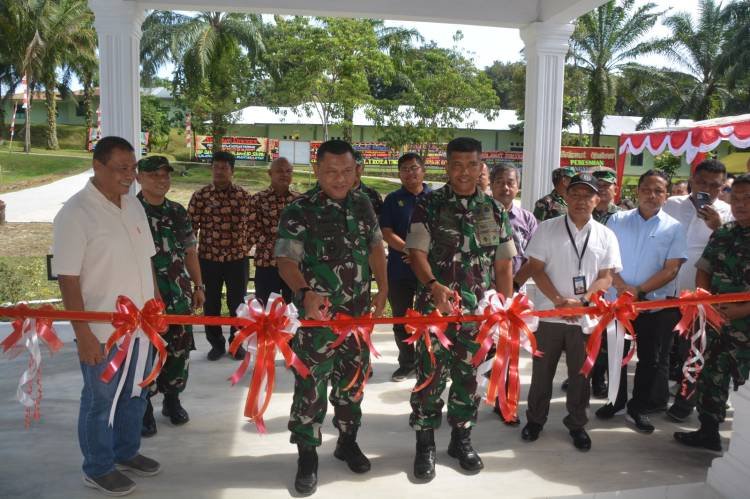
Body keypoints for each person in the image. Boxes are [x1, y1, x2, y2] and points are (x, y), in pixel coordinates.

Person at [275, 140, 388, 495]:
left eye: (346, 171)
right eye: (330, 172)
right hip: (317, 321)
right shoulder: (300, 209)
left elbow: (375, 247)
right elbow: (285, 261)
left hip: (356, 319)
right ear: (316, 171)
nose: (339, 179)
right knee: (311, 388)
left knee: (352, 383)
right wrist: (304, 292)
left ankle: (346, 441)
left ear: (356, 170)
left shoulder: (363, 203)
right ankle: (307, 454)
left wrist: (382, 289)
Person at [53, 136, 161, 496]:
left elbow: (147, 261)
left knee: (135, 394)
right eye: (120, 169)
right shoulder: (75, 213)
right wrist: (81, 333)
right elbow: (67, 279)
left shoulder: (133, 206)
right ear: (97, 165)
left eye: (132, 168)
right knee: (100, 400)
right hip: (102, 330)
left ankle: (126, 452)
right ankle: (98, 467)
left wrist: (157, 308)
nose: (129, 176)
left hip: (143, 327)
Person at [405, 137, 515, 480]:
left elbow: (503, 266)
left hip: (478, 316)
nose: (464, 172)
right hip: (435, 313)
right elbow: (416, 254)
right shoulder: (430, 205)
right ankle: (425, 445)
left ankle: (461, 440)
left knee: (469, 379)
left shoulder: (495, 209)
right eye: (457, 165)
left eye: (471, 165)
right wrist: (433, 286)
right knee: (430, 377)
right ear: (447, 166)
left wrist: (504, 310)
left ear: (481, 166)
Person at [519, 173, 622, 452]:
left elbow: (606, 277)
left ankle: (577, 424)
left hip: (585, 318)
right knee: (542, 374)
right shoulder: (547, 228)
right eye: (574, 194)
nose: (580, 200)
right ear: (565, 197)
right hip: (549, 315)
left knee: (580, 376)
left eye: (587, 196)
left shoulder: (606, 235)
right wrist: (557, 300)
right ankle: (535, 420)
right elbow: (536, 270)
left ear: (597, 200)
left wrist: (583, 302)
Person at [595, 169, 687, 434]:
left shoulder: (674, 227)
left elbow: (671, 269)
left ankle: (639, 407)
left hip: (654, 305)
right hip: (618, 303)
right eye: (647, 189)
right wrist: (623, 288)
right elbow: (607, 259)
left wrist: (639, 291)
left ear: (666, 196)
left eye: (658, 191)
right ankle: (616, 401)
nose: (651, 195)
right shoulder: (617, 220)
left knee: (651, 359)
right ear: (638, 191)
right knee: (616, 354)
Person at [674, 173, 750, 452]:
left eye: (748, 199)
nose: (741, 204)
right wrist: (705, 302)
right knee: (711, 376)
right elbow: (703, 269)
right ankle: (708, 431)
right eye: (737, 198)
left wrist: (742, 309)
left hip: (746, 325)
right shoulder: (725, 232)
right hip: (716, 322)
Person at [135, 156, 204, 437]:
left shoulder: (177, 211)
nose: (161, 180)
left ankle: (172, 400)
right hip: (145, 301)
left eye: (165, 175)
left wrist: (199, 285)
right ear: (139, 178)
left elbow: (190, 252)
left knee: (179, 350)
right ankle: (144, 408)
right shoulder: (131, 212)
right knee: (147, 352)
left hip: (178, 296)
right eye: (154, 175)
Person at [664, 159, 733, 422]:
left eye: (714, 186)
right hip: (666, 287)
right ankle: (659, 394)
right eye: (702, 182)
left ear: (722, 186)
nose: (707, 189)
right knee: (664, 347)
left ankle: (686, 400)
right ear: (692, 180)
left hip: (702, 293)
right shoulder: (672, 204)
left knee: (695, 348)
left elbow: (731, 248)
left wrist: (718, 226)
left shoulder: (727, 212)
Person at [187, 151, 251, 361]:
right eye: (216, 167)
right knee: (211, 304)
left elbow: (252, 226)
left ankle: (237, 343)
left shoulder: (243, 196)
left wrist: (245, 246)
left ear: (232, 170)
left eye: (224, 168)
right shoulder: (201, 196)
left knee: (238, 305)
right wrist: (192, 258)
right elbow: (191, 230)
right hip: (208, 259)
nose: (219, 171)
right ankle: (216, 344)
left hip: (237, 260)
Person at [490, 162, 537, 425]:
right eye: (500, 182)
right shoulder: (479, 215)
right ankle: (470, 400)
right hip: (483, 293)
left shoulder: (527, 219)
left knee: (507, 351)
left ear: (517, 186)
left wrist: (516, 284)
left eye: (511, 182)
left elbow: (535, 257)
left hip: (514, 294)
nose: (505, 187)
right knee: (480, 350)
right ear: (491, 185)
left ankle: (504, 402)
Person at [380, 152, 431, 382]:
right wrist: (411, 251)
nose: (410, 173)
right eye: (405, 170)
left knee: (430, 317)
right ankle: (407, 363)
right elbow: (386, 232)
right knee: (400, 317)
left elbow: (443, 233)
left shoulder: (436, 198)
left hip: (429, 270)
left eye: (414, 168)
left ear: (423, 170)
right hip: (400, 269)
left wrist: (422, 255)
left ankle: (430, 363)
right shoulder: (392, 200)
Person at [248, 157, 299, 305]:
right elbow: (252, 230)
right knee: (267, 311)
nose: (284, 175)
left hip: (294, 265)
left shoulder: (299, 200)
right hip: (267, 264)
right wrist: (282, 243)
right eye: (279, 171)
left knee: (294, 311)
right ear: (270, 173)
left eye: (288, 171)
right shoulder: (258, 199)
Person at [353, 150, 383, 215]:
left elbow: (380, 222)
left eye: (358, 166)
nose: (354, 170)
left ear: (363, 168)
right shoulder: (336, 194)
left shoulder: (374, 195)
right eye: (351, 166)